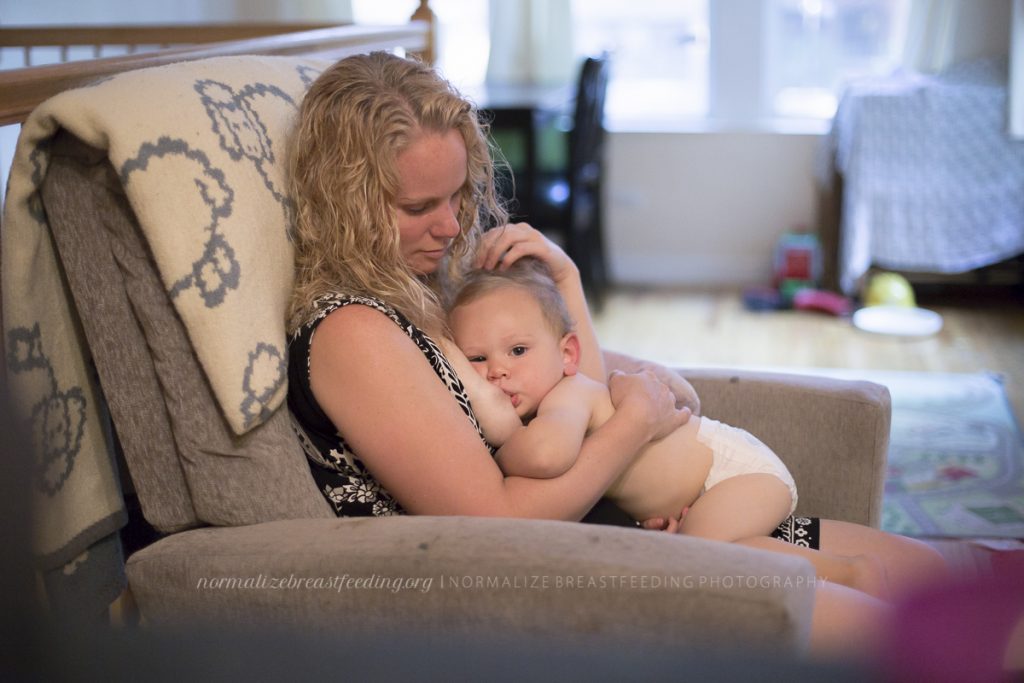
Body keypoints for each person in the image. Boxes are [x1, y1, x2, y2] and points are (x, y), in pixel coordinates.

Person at [285, 50, 946, 659]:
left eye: (458, 194)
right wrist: (634, 427)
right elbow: (494, 522)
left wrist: (591, 330)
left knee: (952, 579)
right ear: (349, 204)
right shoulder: (353, 331)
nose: (455, 225)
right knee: (939, 636)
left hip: (642, 529)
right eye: (419, 205)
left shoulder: (428, 290)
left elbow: (656, 388)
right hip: (571, 579)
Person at [446, 257, 887, 597]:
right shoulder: (554, 401)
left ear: (567, 354)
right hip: (709, 488)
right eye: (477, 359)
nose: (497, 371)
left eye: (518, 350)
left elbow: (546, 455)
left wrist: (499, 448)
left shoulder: (569, 395)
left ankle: (849, 573)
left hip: (734, 471)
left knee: (702, 558)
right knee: (710, 550)